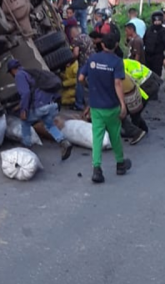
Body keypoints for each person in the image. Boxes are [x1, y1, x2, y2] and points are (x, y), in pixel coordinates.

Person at [79, 33, 132, 183]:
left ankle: (97, 169)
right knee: (115, 136)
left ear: (102, 45)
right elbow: (118, 83)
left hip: (96, 107)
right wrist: (123, 104)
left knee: (97, 138)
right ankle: (120, 164)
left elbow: (81, 78)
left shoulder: (92, 59)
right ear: (116, 45)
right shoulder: (116, 62)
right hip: (111, 106)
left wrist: (89, 89)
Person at [9, 59, 73, 160]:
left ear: (13, 70)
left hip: (40, 106)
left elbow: (26, 93)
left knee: (25, 121)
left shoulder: (19, 75)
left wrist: (23, 110)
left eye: (10, 72)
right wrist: (19, 105)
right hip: (53, 104)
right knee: (49, 125)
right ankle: (64, 141)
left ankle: (26, 147)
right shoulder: (31, 73)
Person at [71, 26, 96, 111]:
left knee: (80, 84)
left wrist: (71, 61)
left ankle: (79, 104)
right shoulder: (86, 37)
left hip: (84, 64)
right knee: (90, 84)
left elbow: (76, 54)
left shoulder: (76, 39)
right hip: (93, 63)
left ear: (72, 34)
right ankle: (90, 104)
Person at [143, 11, 165, 78]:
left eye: (159, 21)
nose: (157, 23)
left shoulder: (163, 30)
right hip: (148, 56)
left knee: (157, 75)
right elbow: (144, 40)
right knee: (147, 74)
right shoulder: (149, 29)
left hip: (158, 57)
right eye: (155, 21)